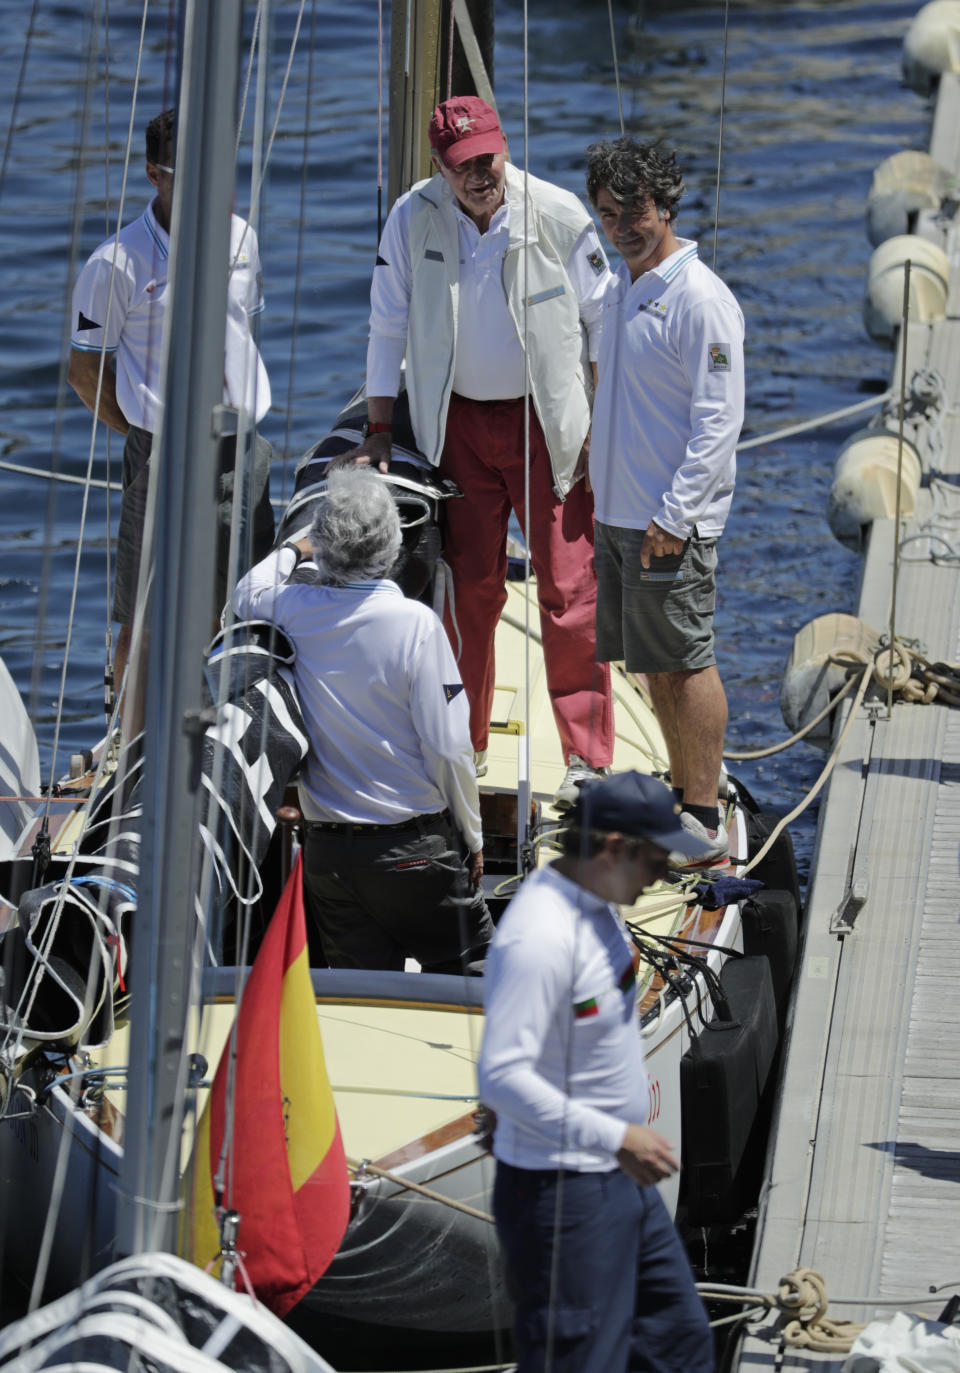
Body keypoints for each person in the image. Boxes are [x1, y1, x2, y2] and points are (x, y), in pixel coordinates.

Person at [347, 94, 616, 810]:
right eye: (464, 164)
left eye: (488, 157)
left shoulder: (556, 214)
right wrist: (379, 427)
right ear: (440, 166)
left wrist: (596, 424)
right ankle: (463, 744)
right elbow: (386, 325)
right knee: (470, 592)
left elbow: (602, 324)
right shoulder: (412, 217)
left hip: (545, 423)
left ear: (504, 147)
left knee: (569, 592)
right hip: (458, 430)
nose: (480, 174)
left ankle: (588, 758)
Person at [477, 770, 715, 1373]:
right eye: (657, 858)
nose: (665, 873)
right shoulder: (539, 937)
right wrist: (618, 1136)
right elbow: (502, 1075)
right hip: (565, 1196)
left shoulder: (598, 905)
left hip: (618, 1182)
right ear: (613, 849)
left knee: (677, 1340)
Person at [232, 467, 493, 974]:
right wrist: (473, 836)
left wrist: (297, 549)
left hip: (331, 857)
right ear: (393, 548)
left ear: (327, 547)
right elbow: (448, 747)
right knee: (477, 980)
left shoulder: (295, 608)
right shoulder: (416, 624)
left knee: (360, 996)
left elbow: (246, 592)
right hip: (415, 850)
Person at [68, 108, 274, 702]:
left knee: (240, 599)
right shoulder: (115, 263)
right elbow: (85, 371)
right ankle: (126, 733)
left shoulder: (243, 238)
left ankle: (217, 719)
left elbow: (245, 332)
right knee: (144, 609)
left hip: (241, 446)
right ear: (156, 175)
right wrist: (140, 424)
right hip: (162, 449)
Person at [585, 138, 745, 867]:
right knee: (652, 664)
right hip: (619, 515)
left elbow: (720, 421)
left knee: (685, 661)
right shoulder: (619, 285)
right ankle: (681, 797)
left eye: (636, 211)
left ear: (666, 206)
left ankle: (705, 815)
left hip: (666, 523)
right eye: (609, 212)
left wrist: (675, 516)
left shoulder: (700, 298)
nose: (622, 226)